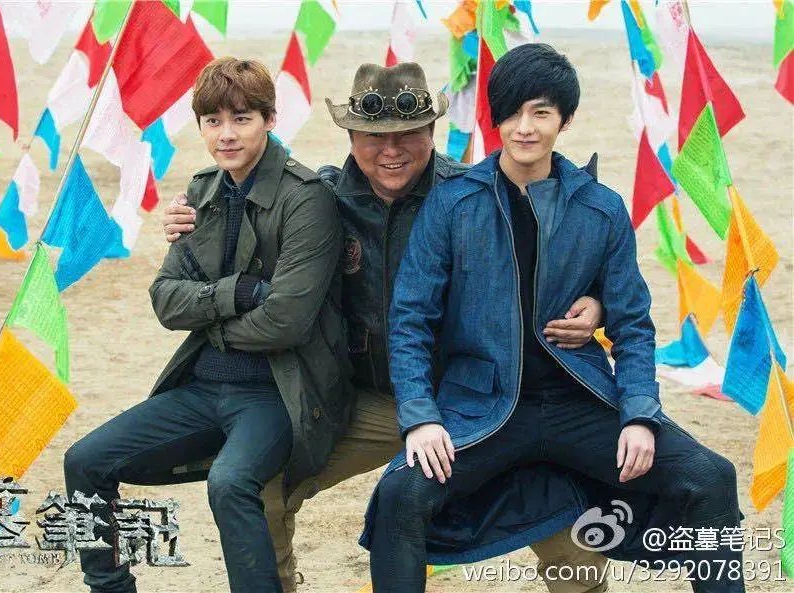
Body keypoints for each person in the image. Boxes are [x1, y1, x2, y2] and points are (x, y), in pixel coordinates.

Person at [164, 61, 612, 593]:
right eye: (374, 137)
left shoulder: (476, 194)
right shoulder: (321, 200)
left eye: (408, 135)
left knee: (567, 531)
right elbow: (251, 238)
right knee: (263, 485)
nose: (390, 151)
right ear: (351, 137)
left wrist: (597, 302)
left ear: (432, 132)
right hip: (361, 400)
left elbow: (565, 255)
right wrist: (193, 220)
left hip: (469, 403)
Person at [366, 43, 743, 593]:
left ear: (565, 120)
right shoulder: (453, 205)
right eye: (513, 113)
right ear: (495, 118)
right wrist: (421, 418)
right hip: (482, 407)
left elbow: (634, 325)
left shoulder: (601, 208)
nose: (525, 128)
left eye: (541, 113)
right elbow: (410, 321)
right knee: (401, 495)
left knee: (710, 477)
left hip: (578, 400)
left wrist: (640, 414)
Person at [64, 57, 353, 593]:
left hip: (276, 391)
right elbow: (166, 301)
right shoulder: (201, 192)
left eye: (242, 118)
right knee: (84, 462)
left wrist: (211, 321)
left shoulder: (305, 197)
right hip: (203, 388)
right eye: (212, 121)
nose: (226, 135)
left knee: (230, 482)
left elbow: (285, 323)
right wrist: (236, 293)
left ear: (269, 119)